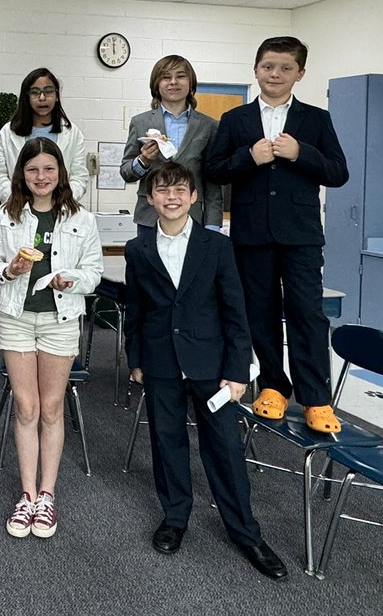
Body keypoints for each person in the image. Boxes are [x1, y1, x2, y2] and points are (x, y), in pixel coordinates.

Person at [123, 162, 288, 580]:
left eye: (180, 189)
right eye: (163, 190)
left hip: (212, 367)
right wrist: (136, 359)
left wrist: (237, 371)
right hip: (160, 362)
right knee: (167, 442)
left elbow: (236, 311)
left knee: (225, 450)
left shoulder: (217, 247)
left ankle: (246, 532)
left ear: (194, 197)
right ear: (150, 198)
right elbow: (137, 311)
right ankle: (175, 517)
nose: (172, 197)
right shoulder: (137, 249)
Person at [204, 37, 349, 433]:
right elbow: (214, 170)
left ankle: (316, 398)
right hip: (251, 234)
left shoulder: (315, 120)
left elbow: (338, 172)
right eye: (268, 66)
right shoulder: (235, 120)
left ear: (300, 74)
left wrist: (301, 152)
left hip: (301, 236)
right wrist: (249, 158)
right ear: (255, 69)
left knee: (308, 313)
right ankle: (272, 385)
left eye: (286, 68)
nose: (275, 74)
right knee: (260, 313)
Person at [0, 138, 102, 538]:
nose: (41, 177)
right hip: (16, 318)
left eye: (49, 169)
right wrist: (10, 271)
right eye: (33, 170)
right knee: (26, 408)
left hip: (60, 319)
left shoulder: (80, 217)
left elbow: (94, 271)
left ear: (60, 173)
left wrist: (73, 279)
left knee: (51, 409)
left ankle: (47, 495)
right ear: (22, 174)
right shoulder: (7, 214)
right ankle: (26, 495)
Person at [119, 54, 222, 234]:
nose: (173, 82)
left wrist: (212, 224)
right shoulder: (140, 122)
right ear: (156, 85)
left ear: (191, 84)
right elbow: (126, 173)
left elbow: (213, 182)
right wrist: (143, 160)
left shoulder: (209, 126)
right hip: (149, 218)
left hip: (193, 217)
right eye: (166, 77)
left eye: (180, 76)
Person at [0, 68, 88, 204]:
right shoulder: (7, 133)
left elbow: (79, 176)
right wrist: (18, 201)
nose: (42, 98)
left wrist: (60, 202)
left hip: (60, 209)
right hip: (19, 209)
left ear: (57, 95)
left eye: (48, 91)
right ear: (27, 97)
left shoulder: (73, 133)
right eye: (35, 92)